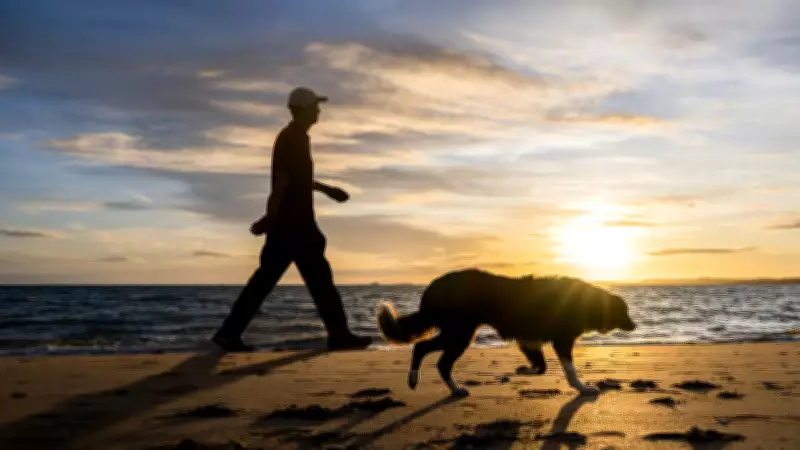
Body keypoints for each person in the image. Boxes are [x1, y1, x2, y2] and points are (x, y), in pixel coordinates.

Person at [212, 87, 372, 352]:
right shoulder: (293, 138)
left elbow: (297, 179)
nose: (319, 110)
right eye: (315, 106)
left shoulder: (294, 137)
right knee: (320, 282)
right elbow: (283, 183)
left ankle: (229, 333)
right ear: (305, 109)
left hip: (289, 225)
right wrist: (270, 216)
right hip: (296, 225)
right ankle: (339, 335)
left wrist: (326, 190)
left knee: (267, 281)